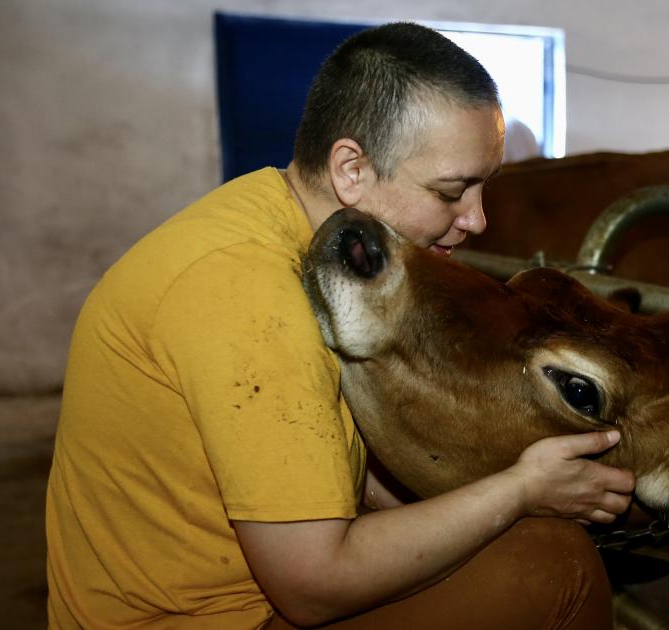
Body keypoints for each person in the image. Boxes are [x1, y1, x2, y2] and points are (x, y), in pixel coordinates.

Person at [46, 22, 635, 629]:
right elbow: (312, 584)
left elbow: (346, 473)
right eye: (451, 191)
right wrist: (519, 491)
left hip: (225, 592)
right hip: (204, 618)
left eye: (484, 188)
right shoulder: (251, 297)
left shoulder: (272, 216)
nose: (478, 220)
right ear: (351, 169)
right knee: (557, 565)